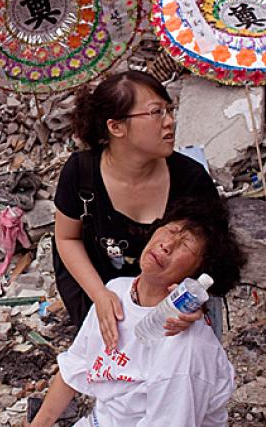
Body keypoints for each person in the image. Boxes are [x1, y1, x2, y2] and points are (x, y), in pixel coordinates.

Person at [30, 197, 245, 427]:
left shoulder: (186, 349)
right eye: (171, 230)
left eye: (186, 245)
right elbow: (74, 368)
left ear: (195, 277)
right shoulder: (116, 292)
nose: (167, 244)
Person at [53, 70, 219, 349]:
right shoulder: (81, 173)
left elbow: (214, 255)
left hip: (169, 307)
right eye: (156, 113)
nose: (170, 122)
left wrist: (193, 305)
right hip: (102, 291)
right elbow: (66, 238)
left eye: (170, 110)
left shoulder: (191, 179)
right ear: (116, 127)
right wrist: (100, 296)